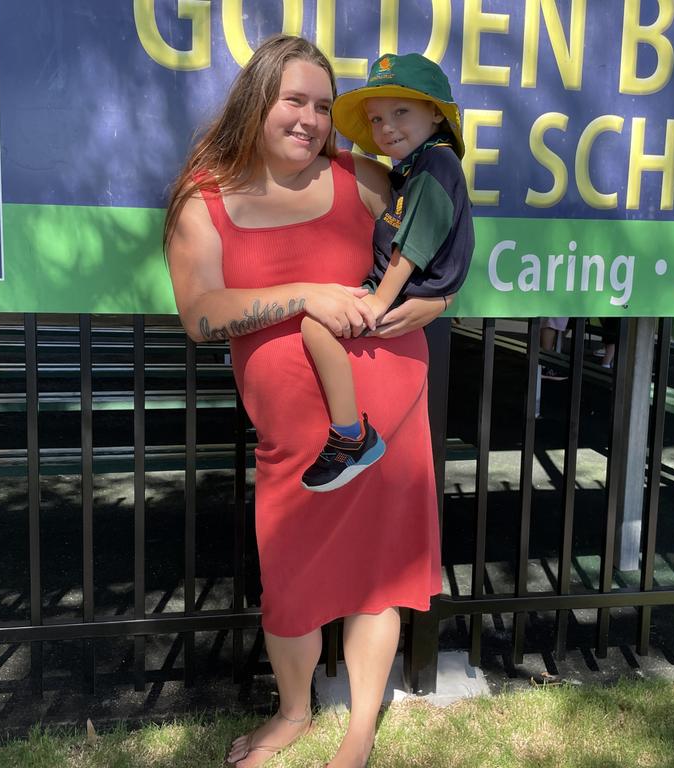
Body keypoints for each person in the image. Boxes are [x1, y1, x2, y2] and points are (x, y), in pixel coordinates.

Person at [163, 36, 443, 768]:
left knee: (375, 574)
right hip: (298, 444)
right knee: (289, 573)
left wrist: (439, 301)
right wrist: (306, 295)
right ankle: (292, 713)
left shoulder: (369, 181)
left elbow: (439, 238)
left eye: (323, 106)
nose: (311, 119)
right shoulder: (206, 196)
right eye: (295, 100)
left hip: (386, 418)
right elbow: (199, 314)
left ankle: (357, 730)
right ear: (257, 101)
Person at [299, 53, 474, 492]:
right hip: (399, 291)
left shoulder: (437, 165)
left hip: (398, 293)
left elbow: (411, 245)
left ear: (436, 112)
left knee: (315, 328)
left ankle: (350, 437)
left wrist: (378, 300)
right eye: (376, 119)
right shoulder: (415, 167)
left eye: (401, 112)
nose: (387, 127)